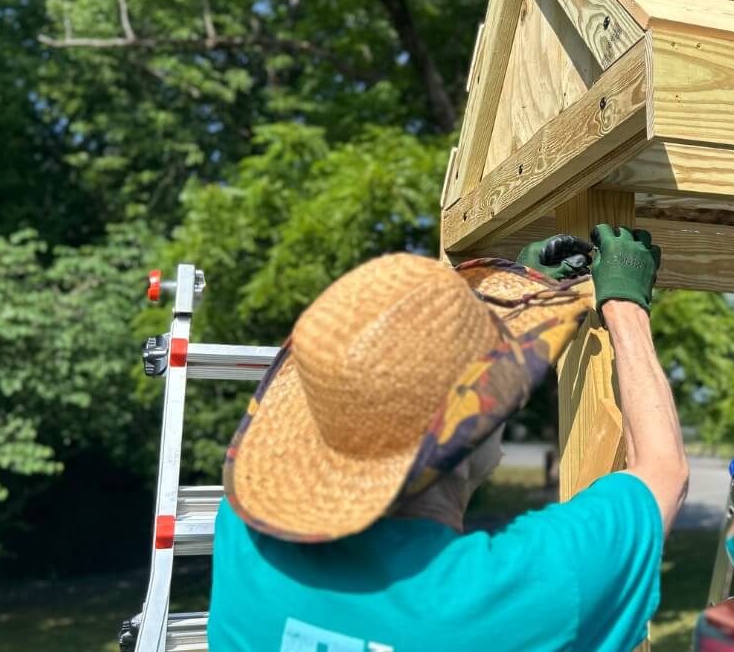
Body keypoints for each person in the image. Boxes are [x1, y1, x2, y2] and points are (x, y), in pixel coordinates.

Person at [208, 224, 689, 652]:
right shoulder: (522, 592)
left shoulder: (245, 531)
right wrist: (626, 307)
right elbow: (664, 470)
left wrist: (521, 299)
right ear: (459, 455)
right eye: (494, 398)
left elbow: (392, 385)